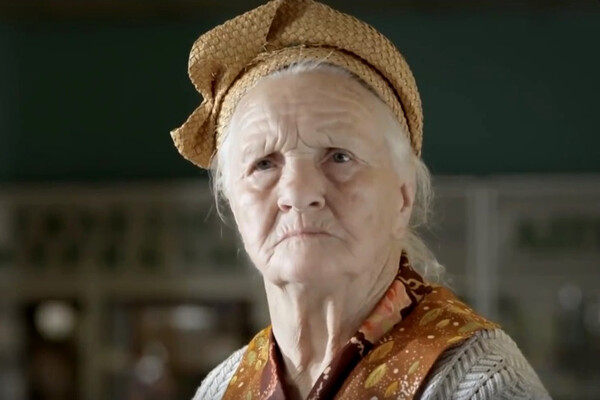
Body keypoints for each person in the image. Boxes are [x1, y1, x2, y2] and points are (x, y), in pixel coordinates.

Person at [171, 1, 551, 399]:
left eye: (339, 157)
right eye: (264, 164)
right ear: (232, 203)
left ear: (403, 197)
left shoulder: (480, 383)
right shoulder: (220, 389)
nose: (298, 193)